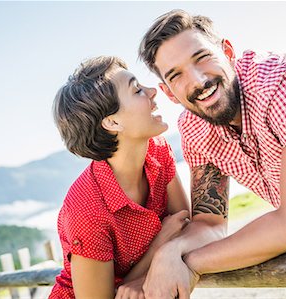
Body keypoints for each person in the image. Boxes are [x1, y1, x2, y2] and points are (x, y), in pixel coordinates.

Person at [137, 9, 286, 298]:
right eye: (177, 75)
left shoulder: (285, 82)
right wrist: (171, 251)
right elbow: (209, 224)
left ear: (228, 51)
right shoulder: (195, 129)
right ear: (169, 92)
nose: (198, 80)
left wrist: (188, 263)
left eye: (202, 58)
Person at [49, 56, 190, 299]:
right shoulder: (86, 210)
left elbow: (184, 223)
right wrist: (160, 243)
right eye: (137, 90)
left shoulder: (157, 149)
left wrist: (144, 275)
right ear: (112, 122)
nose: (152, 91)